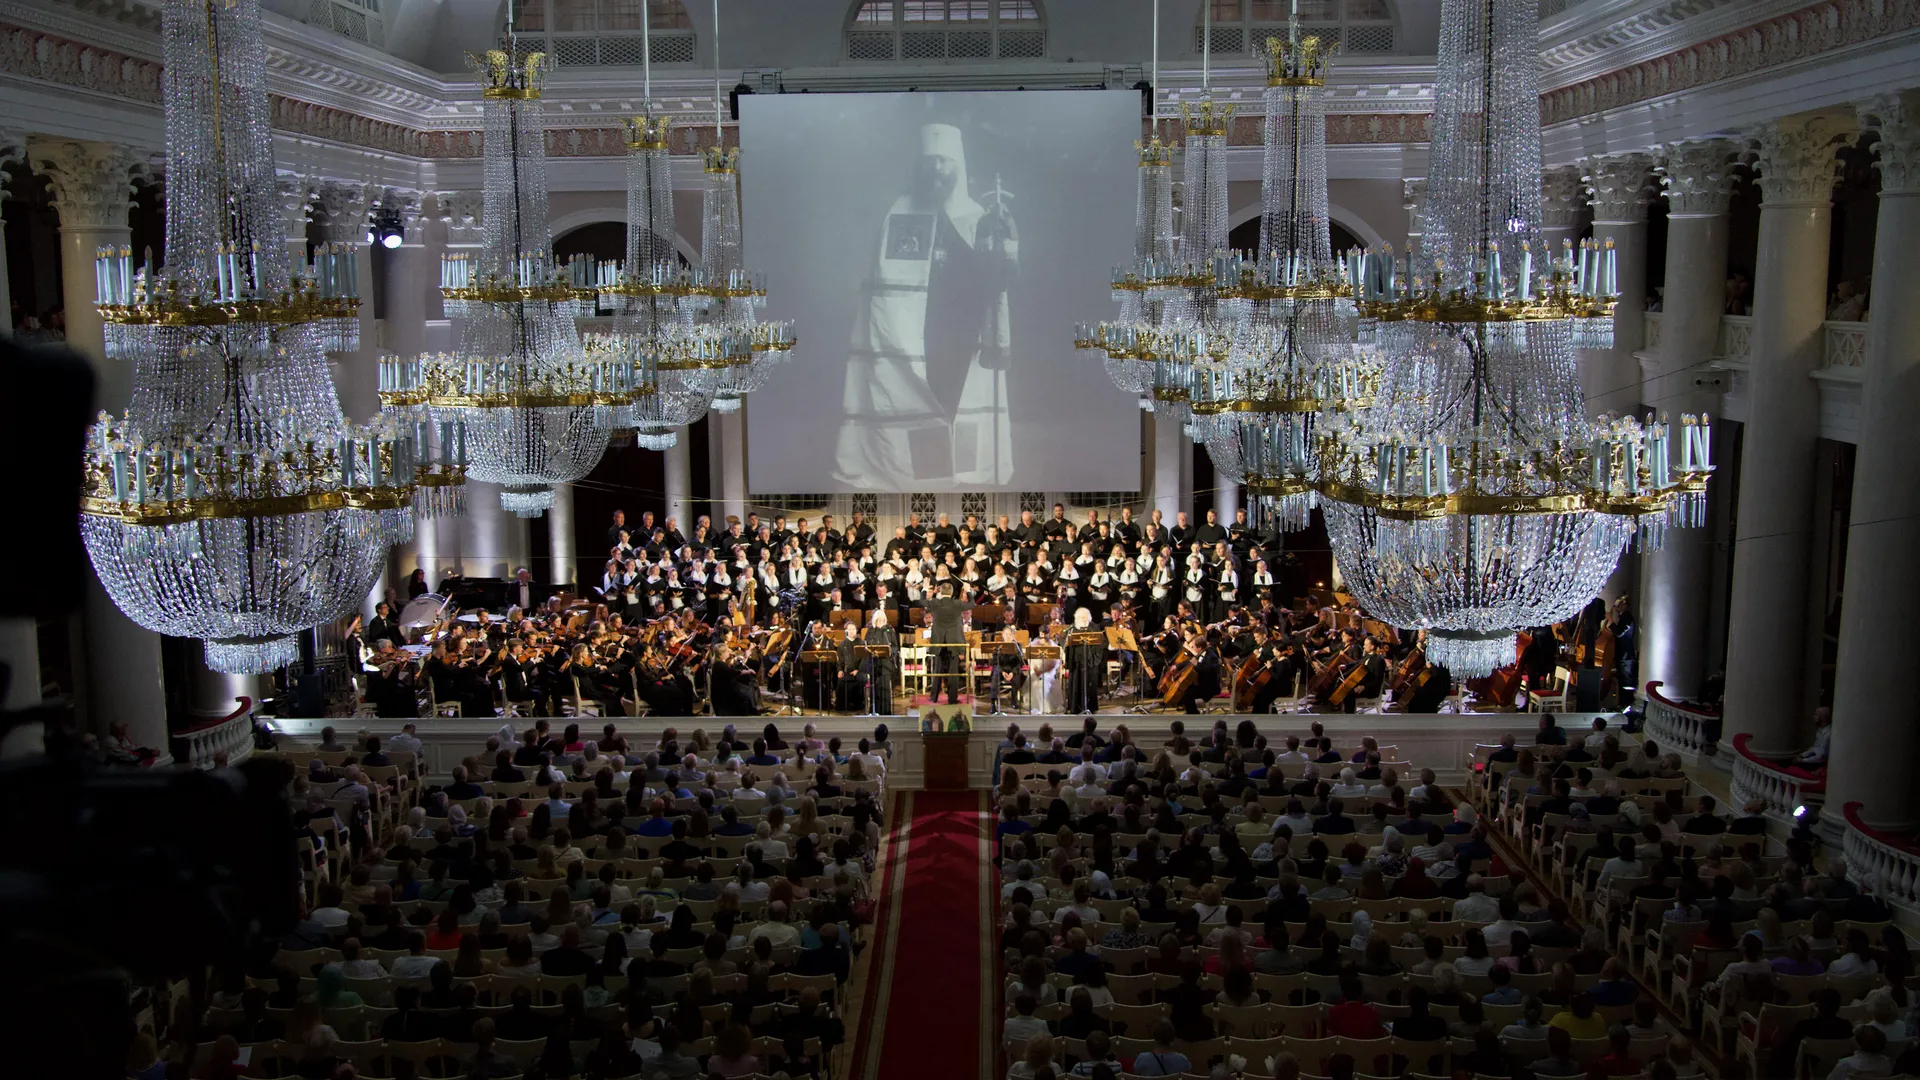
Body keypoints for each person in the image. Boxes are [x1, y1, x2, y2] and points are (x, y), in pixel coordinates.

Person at [836, 121, 1018, 488]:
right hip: (912, 332)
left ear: (958, 166)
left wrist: (1001, 244)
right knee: (919, 402)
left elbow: (997, 279)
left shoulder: (977, 217)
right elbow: (881, 283)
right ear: (918, 165)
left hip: (961, 331)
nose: (937, 169)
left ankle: (960, 468)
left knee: (957, 402)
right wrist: (895, 332)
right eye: (930, 160)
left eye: (944, 161)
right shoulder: (898, 213)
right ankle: (925, 471)